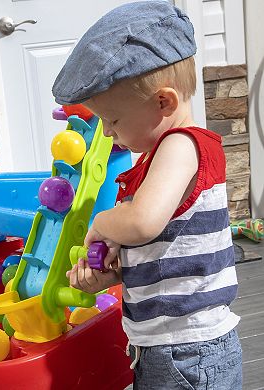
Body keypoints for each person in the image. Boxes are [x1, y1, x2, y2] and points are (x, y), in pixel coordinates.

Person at [52, 2, 242, 389]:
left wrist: (103, 222)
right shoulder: (160, 159)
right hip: (165, 348)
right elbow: (165, 256)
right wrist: (110, 278)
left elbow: (141, 222)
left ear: (163, 102)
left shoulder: (182, 146)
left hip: (188, 352)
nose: (106, 133)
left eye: (113, 119)